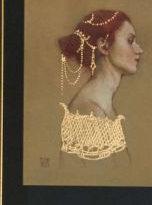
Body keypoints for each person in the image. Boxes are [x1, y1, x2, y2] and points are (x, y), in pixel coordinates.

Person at [56, 9, 140, 163]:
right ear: (104, 46)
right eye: (130, 41)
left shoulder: (102, 102)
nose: (139, 50)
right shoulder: (90, 109)